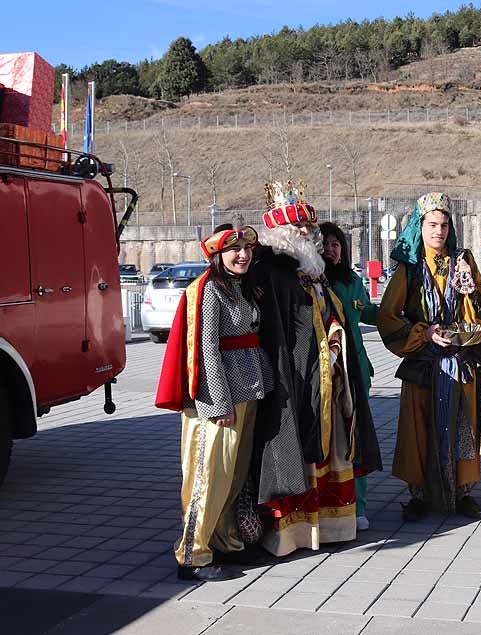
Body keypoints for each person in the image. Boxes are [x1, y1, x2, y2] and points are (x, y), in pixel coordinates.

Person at [155, 224, 273, 581]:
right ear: (217, 256)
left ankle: (225, 542)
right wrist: (217, 403)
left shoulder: (242, 287)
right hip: (218, 402)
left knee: (233, 478)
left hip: (248, 393)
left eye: (247, 250)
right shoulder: (208, 291)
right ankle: (192, 556)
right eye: (233, 250)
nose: (243, 255)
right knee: (209, 478)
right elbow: (204, 349)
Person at [251, 180, 358, 555]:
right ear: (277, 231)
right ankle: (290, 533)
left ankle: (330, 525)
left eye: (308, 228)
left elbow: (329, 314)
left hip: (325, 373)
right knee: (290, 446)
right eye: (295, 227)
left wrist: (334, 339)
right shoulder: (269, 271)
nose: (303, 234)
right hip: (289, 378)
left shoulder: (315, 272)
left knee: (332, 445)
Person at [376, 193, 481, 520]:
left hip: (458, 358)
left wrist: (469, 287)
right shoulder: (410, 267)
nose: (438, 231)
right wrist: (424, 334)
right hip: (423, 360)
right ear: (420, 226)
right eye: (432, 225)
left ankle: (463, 491)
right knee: (418, 427)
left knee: (463, 424)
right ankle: (419, 494)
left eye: (444, 225)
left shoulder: (461, 259)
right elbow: (388, 315)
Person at [320, 221, 382, 531]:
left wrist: (402, 315)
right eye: (325, 244)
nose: (331, 250)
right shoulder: (313, 282)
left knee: (356, 439)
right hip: (326, 372)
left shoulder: (352, 281)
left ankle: (358, 505)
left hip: (357, 370)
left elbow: (368, 312)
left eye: (336, 244)